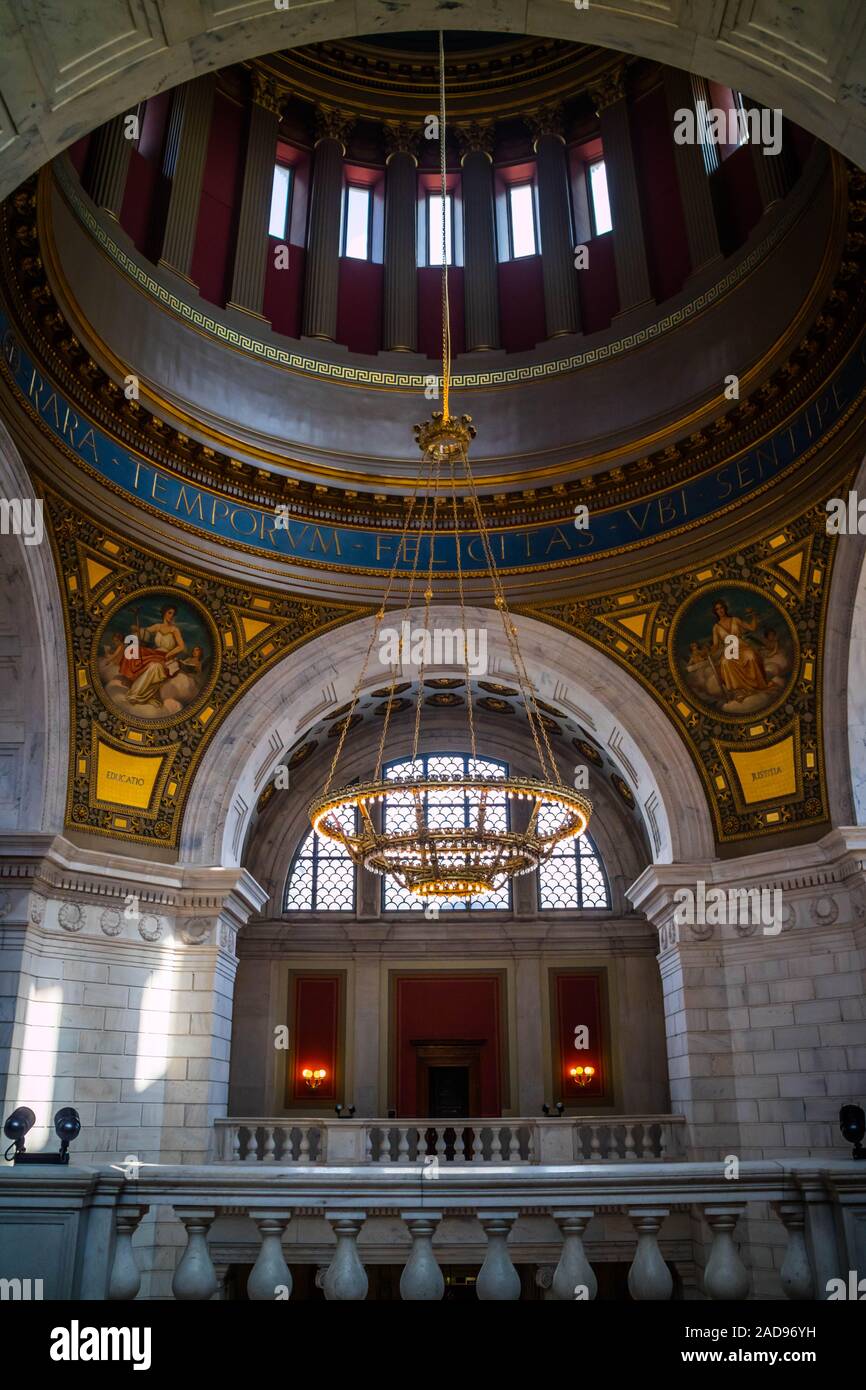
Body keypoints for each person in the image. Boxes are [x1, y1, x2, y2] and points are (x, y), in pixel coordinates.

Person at [120, 605, 186, 706]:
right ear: (164, 613)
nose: (171, 616)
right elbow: (143, 633)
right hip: (155, 653)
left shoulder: (174, 630)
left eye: (173, 614)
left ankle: (136, 694)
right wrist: (137, 629)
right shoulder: (157, 626)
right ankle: (132, 685)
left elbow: (181, 647)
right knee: (133, 652)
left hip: (167, 656)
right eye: (169, 613)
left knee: (154, 667)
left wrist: (170, 653)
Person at [709, 599, 769, 702]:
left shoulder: (735, 619)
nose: (720, 610)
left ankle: (756, 686)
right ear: (715, 612)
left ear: (725, 608)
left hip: (742, 647)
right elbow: (715, 645)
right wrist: (707, 653)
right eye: (717, 609)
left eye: (721, 608)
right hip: (729, 651)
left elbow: (752, 628)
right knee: (725, 662)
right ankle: (739, 691)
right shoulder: (716, 627)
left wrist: (753, 615)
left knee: (751, 656)